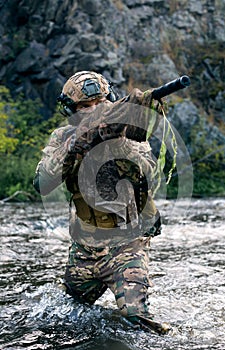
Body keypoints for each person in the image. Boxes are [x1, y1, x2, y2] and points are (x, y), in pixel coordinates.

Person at [33, 71, 170, 334]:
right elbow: (42, 183)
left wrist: (118, 143)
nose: (95, 110)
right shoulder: (63, 137)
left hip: (126, 246)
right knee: (63, 315)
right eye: (85, 106)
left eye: (100, 102)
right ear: (72, 111)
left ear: (112, 100)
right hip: (84, 250)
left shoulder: (127, 132)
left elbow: (150, 175)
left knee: (137, 322)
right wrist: (77, 143)